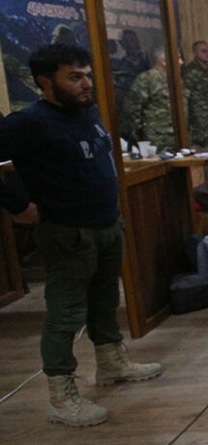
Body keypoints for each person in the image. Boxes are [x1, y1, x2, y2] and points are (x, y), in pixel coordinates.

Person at [0, 44, 163, 428]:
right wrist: (17, 203)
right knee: (66, 313)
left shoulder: (87, 111)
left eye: (87, 75)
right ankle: (61, 396)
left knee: (105, 302)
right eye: (74, 77)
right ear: (45, 82)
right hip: (66, 232)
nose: (86, 83)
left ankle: (111, 363)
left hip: (106, 225)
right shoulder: (29, 122)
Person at [121, 47, 175, 151]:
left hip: (177, 137)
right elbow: (132, 108)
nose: (181, 62)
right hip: (156, 138)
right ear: (163, 61)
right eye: (178, 58)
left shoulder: (175, 79)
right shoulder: (147, 79)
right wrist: (139, 133)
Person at [182, 40, 208, 149]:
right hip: (200, 122)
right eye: (204, 51)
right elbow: (184, 98)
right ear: (195, 53)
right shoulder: (191, 71)